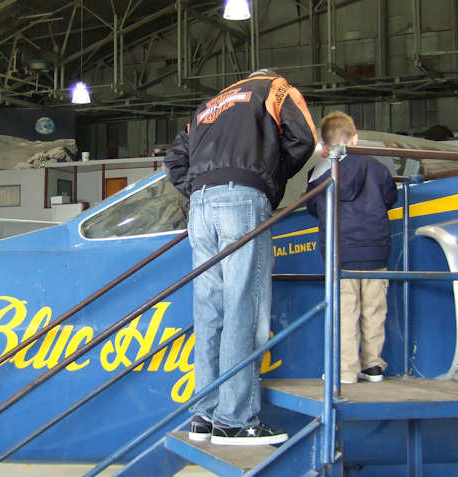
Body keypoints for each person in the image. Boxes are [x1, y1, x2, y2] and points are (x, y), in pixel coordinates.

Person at [164, 68, 317, 446]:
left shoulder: (206, 106)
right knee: (243, 307)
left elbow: (173, 160)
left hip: (199, 208)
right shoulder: (275, 87)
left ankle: (204, 415)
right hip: (242, 201)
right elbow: (305, 138)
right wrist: (268, 178)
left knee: (209, 309)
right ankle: (235, 420)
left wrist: (202, 189)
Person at [306, 111, 397, 385]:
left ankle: (345, 371)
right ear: (355, 138)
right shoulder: (377, 167)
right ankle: (373, 367)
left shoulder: (319, 173)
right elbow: (390, 197)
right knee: (374, 310)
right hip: (375, 251)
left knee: (345, 312)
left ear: (324, 146)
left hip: (340, 253)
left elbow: (312, 207)